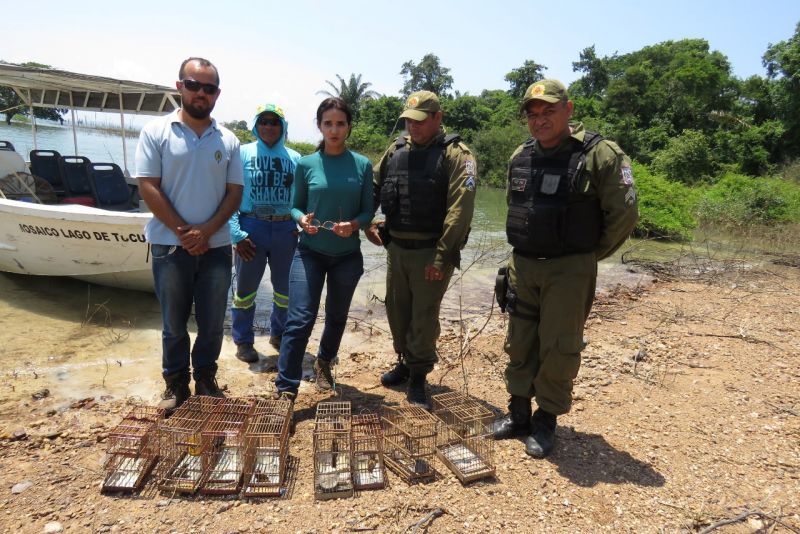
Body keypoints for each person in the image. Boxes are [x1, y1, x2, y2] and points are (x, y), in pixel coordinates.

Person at [491, 79, 638, 457]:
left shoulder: (600, 154)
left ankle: (545, 421)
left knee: (559, 346)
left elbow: (624, 214)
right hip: (523, 264)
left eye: (548, 111)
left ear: (568, 110)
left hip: (569, 269)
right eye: (533, 114)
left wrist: (586, 256)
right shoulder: (520, 155)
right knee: (520, 341)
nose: (540, 120)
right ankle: (519, 414)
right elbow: (516, 206)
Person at [136, 57, 244, 414]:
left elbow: (234, 192)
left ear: (217, 94)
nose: (201, 93)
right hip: (169, 246)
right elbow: (148, 186)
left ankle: (207, 378)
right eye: (194, 85)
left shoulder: (228, 139)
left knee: (213, 322)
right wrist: (184, 232)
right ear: (179, 86)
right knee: (173, 323)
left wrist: (208, 231)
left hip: (216, 248)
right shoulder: (156, 132)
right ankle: (177, 383)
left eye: (209, 88)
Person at [365, 91, 476, 410]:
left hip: (431, 252)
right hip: (396, 247)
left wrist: (443, 256)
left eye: (419, 121)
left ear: (437, 118)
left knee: (423, 319)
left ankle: (418, 379)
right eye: (408, 121)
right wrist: (367, 222)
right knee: (397, 312)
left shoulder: (456, 154)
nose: (412, 127)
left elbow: (460, 209)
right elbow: (374, 184)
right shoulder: (396, 150)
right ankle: (404, 362)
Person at [273, 98, 373, 401]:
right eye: (328, 123)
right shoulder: (305, 164)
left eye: (340, 123)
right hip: (310, 253)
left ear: (348, 127)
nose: (334, 129)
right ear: (319, 126)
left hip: (346, 256)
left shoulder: (362, 164)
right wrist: (302, 219)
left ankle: (324, 363)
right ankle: (286, 389)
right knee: (300, 318)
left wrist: (353, 225)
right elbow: (294, 206)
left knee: (337, 316)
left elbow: (368, 211)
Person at [229, 104, 301, 364]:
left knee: (285, 291)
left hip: (285, 229)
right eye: (264, 121)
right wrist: (236, 235)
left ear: (283, 127)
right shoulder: (242, 153)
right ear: (255, 125)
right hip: (252, 227)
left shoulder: (295, 158)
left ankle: (278, 335)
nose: (269, 127)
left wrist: (300, 225)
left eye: (275, 122)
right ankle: (244, 341)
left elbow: (301, 198)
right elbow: (230, 194)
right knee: (245, 290)